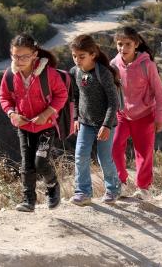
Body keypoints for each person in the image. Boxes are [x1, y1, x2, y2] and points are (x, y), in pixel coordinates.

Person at [0, 33, 68, 212]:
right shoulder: (9, 75)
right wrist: (12, 113)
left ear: (35, 55)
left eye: (24, 56)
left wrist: (47, 113)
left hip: (46, 127)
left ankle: (52, 187)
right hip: (24, 126)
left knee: (40, 162)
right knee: (26, 164)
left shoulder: (48, 74)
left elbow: (62, 95)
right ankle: (29, 200)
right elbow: (4, 97)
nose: (19, 60)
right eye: (15, 56)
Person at [110, 26, 162, 200]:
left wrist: (159, 118)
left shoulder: (147, 65)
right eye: (120, 44)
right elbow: (111, 91)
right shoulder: (113, 65)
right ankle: (120, 181)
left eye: (127, 44)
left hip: (144, 115)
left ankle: (143, 189)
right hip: (122, 114)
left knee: (143, 153)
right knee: (114, 147)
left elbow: (160, 94)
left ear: (136, 44)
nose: (123, 48)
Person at [69, 34, 121, 205]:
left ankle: (113, 189)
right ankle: (83, 192)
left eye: (81, 56)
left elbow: (114, 102)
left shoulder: (103, 73)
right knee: (80, 156)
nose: (77, 60)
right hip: (85, 123)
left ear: (93, 54)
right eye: (74, 56)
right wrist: (76, 118)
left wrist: (106, 125)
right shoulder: (75, 72)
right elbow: (75, 97)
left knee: (104, 158)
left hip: (105, 124)